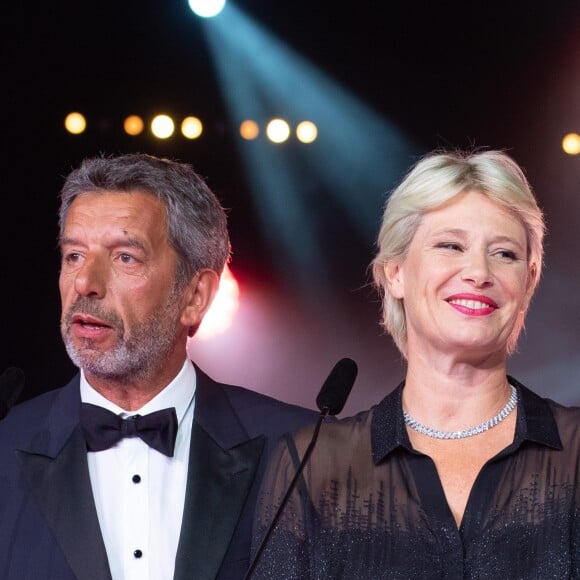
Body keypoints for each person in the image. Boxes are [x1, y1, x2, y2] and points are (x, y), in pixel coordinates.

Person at [251, 149, 580, 578]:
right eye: (450, 245)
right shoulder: (313, 466)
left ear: (529, 281)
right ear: (395, 272)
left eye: (504, 254)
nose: (478, 271)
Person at [0, 153, 317, 580]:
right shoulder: (6, 446)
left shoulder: (305, 453)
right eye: (74, 255)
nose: (84, 283)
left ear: (196, 296)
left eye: (124, 257)